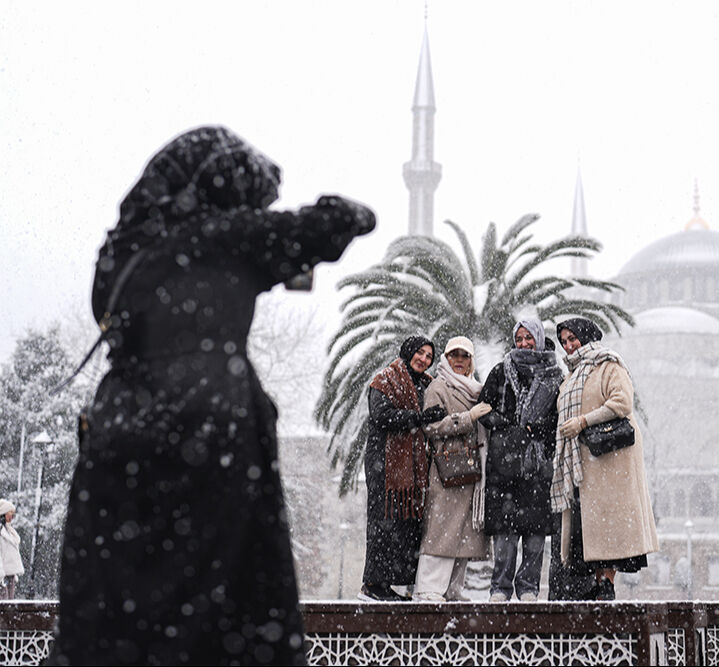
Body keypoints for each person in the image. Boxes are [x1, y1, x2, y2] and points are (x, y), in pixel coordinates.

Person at [49, 126, 376, 665]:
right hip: (209, 430)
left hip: (119, 431)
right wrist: (269, 229)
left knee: (117, 600)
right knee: (224, 606)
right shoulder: (222, 239)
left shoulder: (124, 250)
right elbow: (344, 220)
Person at [550, 317, 658, 601]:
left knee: (609, 524)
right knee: (591, 526)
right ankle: (598, 584)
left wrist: (583, 421)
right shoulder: (572, 375)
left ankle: (607, 583)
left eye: (573, 338)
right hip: (583, 461)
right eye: (564, 341)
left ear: (587, 337)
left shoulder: (609, 364)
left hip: (610, 458)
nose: (568, 345)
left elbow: (622, 402)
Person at [479, 318, 562, 602]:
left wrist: (539, 430)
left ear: (538, 339)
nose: (524, 343)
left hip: (538, 467)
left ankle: (528, 587)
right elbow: (483, 408)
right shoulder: (501, 371)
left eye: (529, 338)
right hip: (504, 465)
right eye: (520, 338)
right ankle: (500, 588)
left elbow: (559, 419)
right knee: (505, 532)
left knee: (535, 532)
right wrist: (506, 428)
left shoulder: (554, 376)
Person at [360, 336, 447, 602]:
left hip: (411, 469)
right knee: (383, 522)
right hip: (385, 466)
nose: (424, 359)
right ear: (408, 352)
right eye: (420, 353)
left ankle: (390, 585)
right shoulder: (384, 380)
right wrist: (419, 418)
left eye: (429, 356)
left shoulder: (427, 384)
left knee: (405, 524)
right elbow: (382, 416)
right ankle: (373, 585)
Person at [413, 336, 492, 602]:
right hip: (447, 471)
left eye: (465, 355)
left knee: (463, 536)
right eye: (454, 355)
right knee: (441, 532)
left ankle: (452, 590)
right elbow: (432, 427)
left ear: (471, 361)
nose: (459, 360)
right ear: (446, 358)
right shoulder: (438, 387)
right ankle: (428, 590)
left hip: (470, 473)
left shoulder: (476, 389)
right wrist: (467, 418)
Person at [0, 499, 22, 599]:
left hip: (10, 575)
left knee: (10, 603)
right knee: (4, 603)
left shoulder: (9, 530)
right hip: (2, 575)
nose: (13, 515)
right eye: (10, 512)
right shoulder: (1, 531)